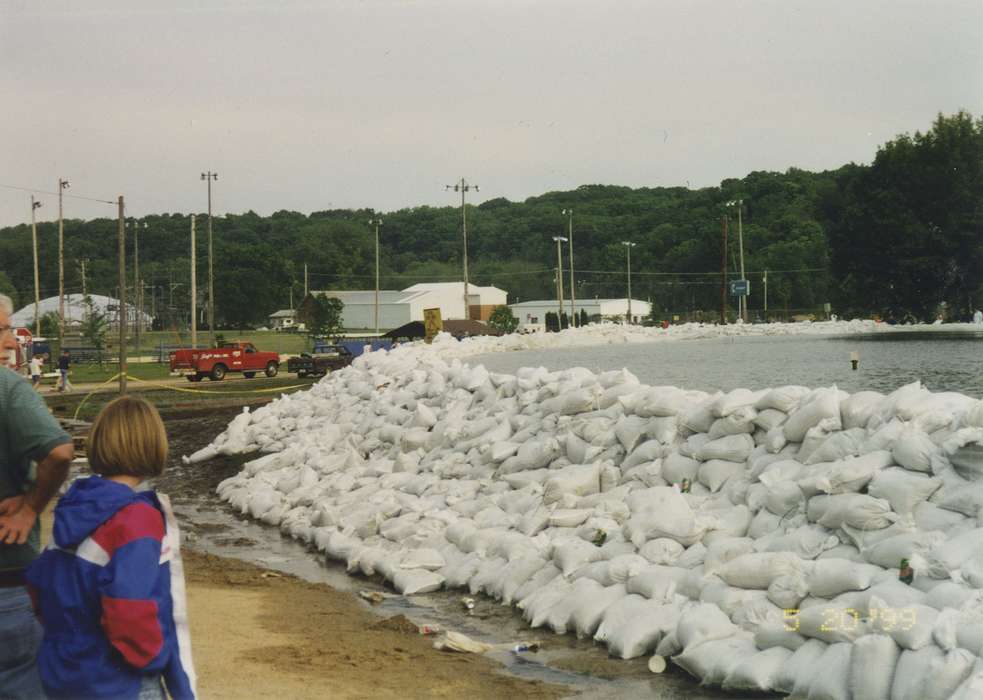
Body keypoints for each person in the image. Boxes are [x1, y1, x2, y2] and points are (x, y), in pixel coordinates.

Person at [26, 396, 196, 700]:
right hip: (120, 682)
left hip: (64, 674)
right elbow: (129, 607)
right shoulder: (137, 518)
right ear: (152, 445)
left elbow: (39, 579)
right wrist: (152, 658)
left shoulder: (75, 506)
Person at [0, 293, 75, 700]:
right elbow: (60, 451)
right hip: (6, 588)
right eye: (4, 330)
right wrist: (31, 506)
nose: (12, 342)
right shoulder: (8, 390)